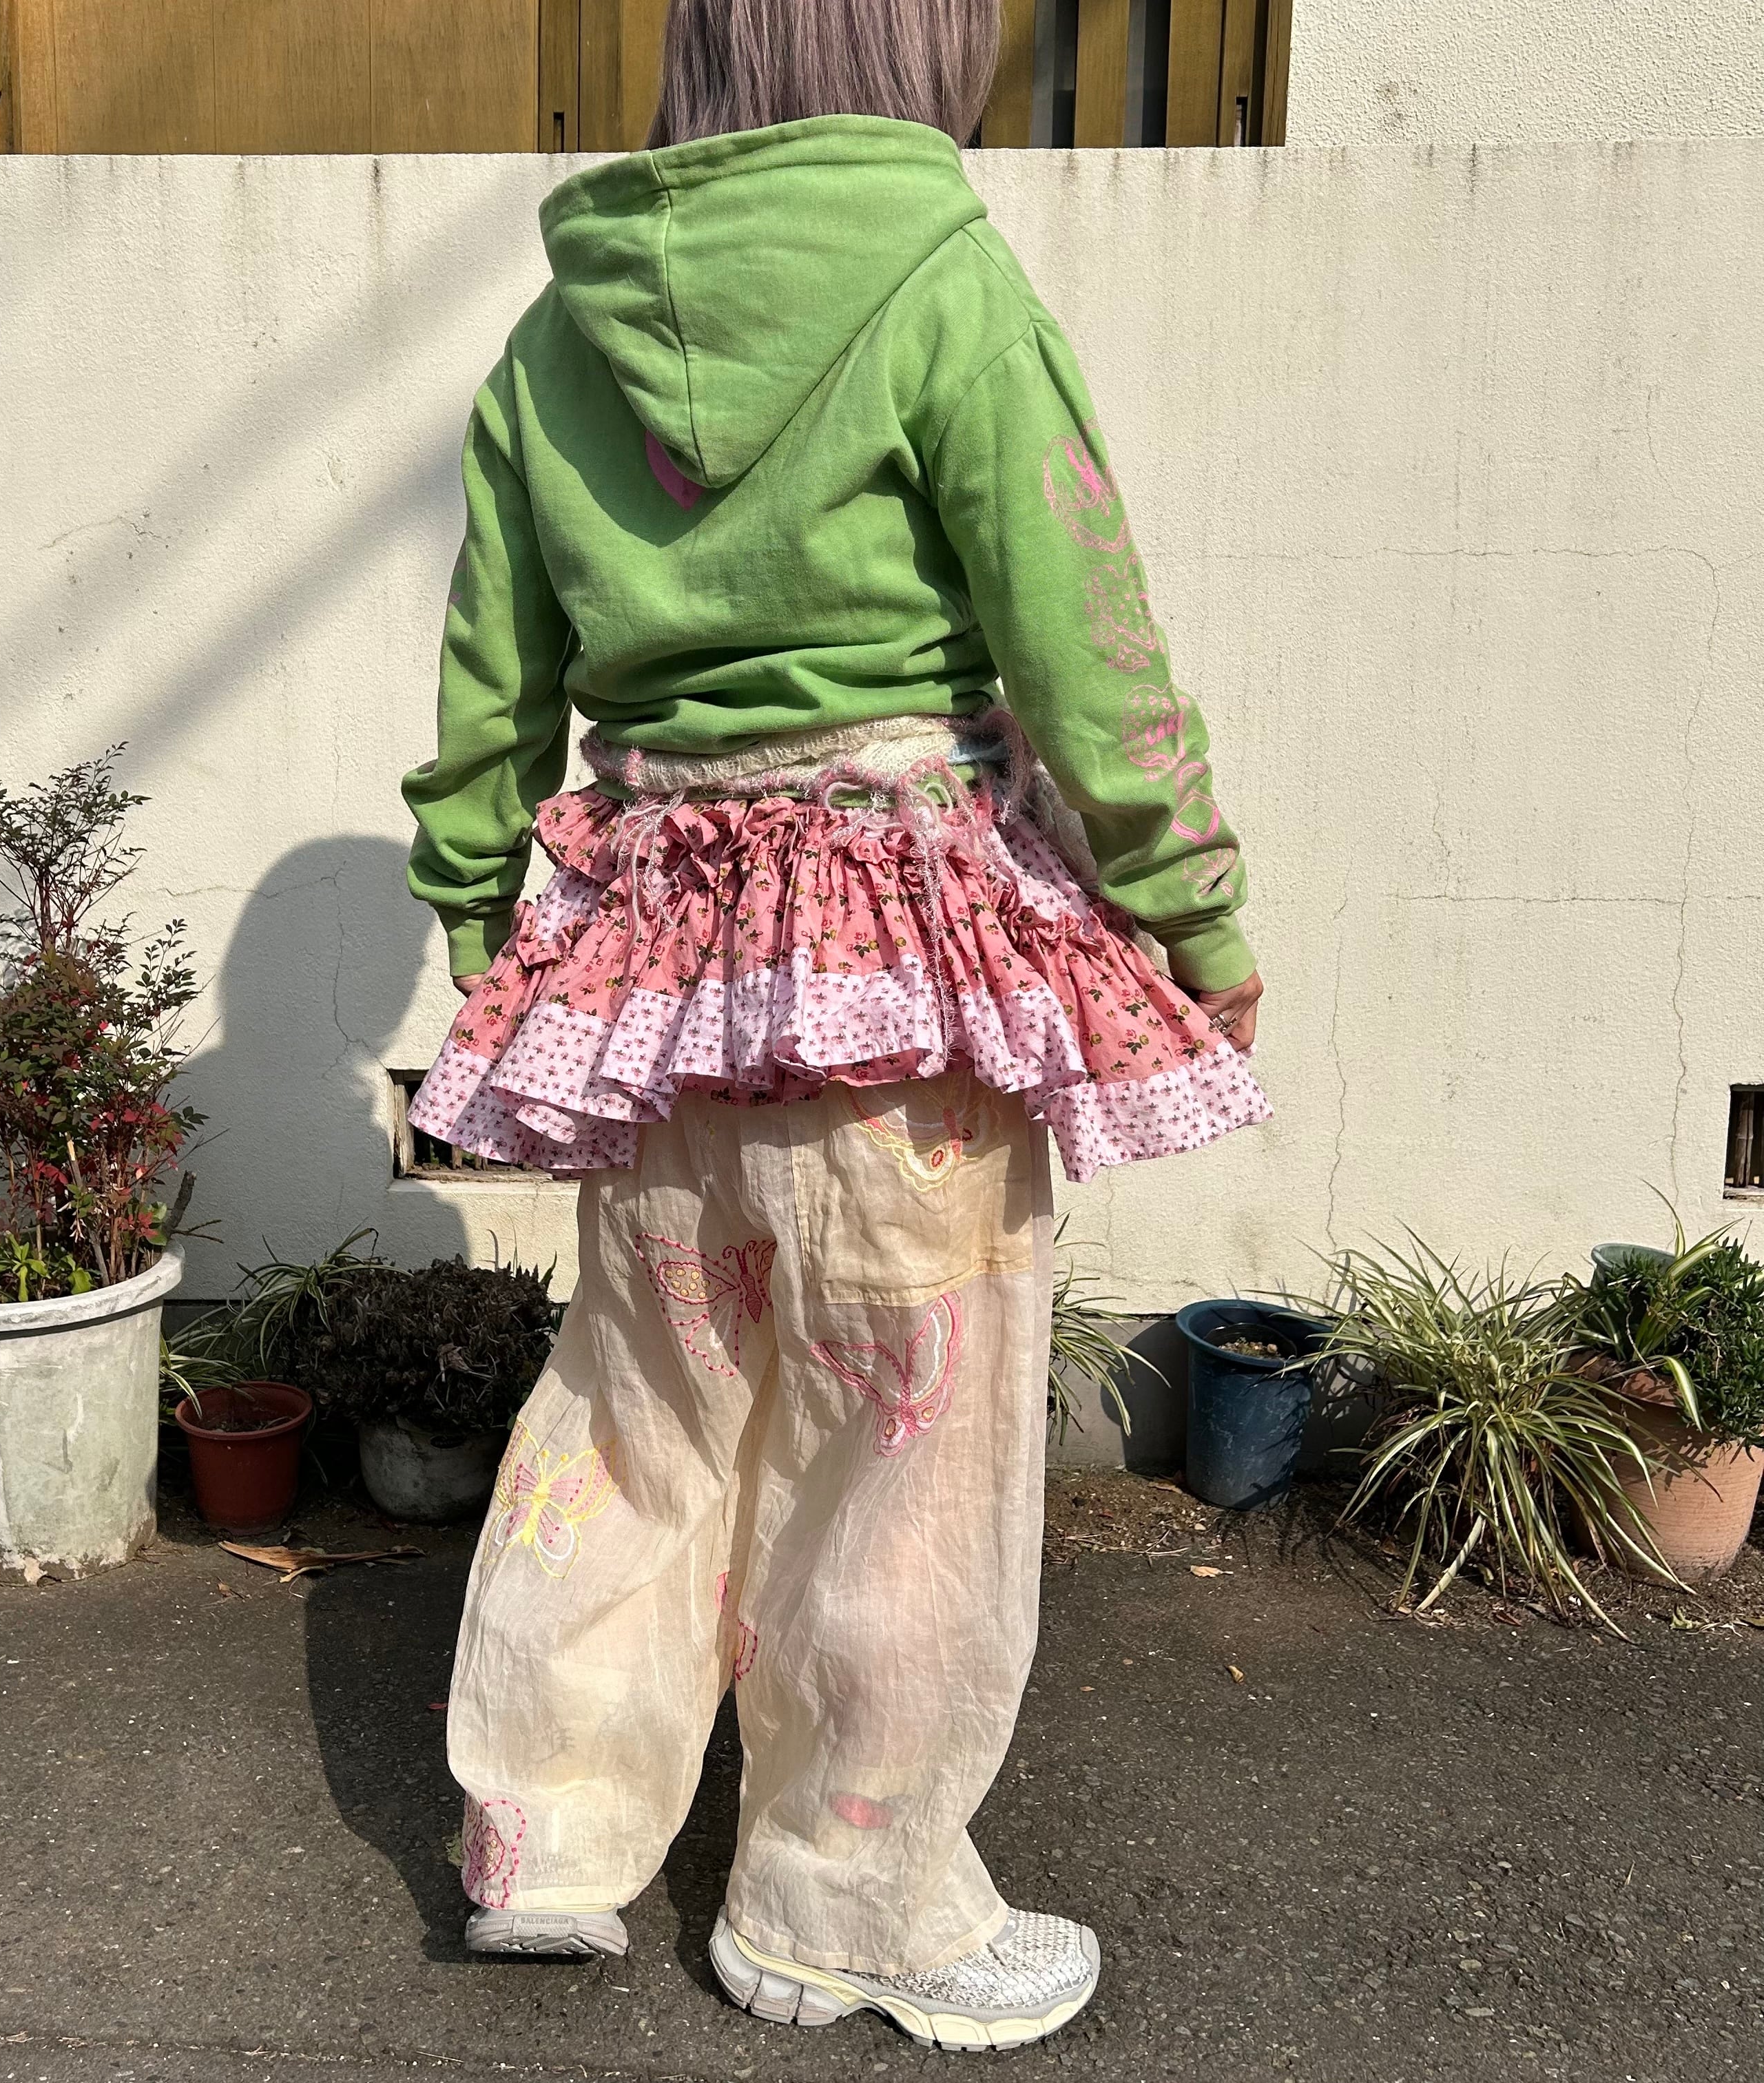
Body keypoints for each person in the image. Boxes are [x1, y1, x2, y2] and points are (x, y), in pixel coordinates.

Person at [400, 0, 1268, 2051]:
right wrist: (1192, 907)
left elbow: (492, 684)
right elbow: (1089, 644)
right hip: (906, 981)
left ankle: (548, 1833)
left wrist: (483, 920)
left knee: (642, 1404)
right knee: (906, 1443)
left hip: (654, 975)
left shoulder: (554, 338)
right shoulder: (947, 283)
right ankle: (840, 1907)